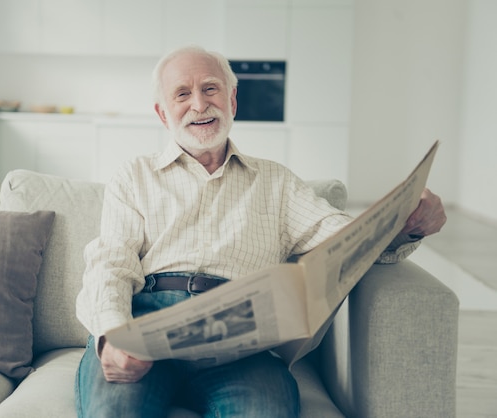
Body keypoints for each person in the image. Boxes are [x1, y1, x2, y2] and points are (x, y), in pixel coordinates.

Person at [75, 45, 446, 418]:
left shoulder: (276, 182)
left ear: (232, 100)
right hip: (148, 328)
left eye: (210, 89)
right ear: (162, 113)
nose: (200, 105)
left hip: (243, 343)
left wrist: (406, 226)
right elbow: (111, 263)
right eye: (182, 94)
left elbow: (347, 238)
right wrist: (114, 335)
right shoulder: (134, 175)